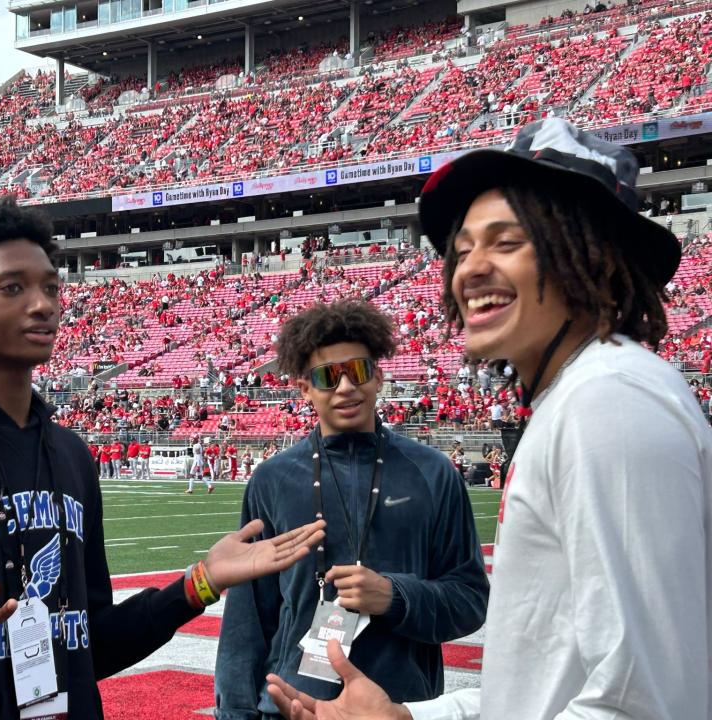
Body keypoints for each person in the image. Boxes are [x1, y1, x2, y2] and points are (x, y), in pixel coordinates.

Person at [266, 118, 712, 719]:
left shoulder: (608, 402)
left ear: (595, 260)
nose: (469, 268)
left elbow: (643, 703)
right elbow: (540, 690)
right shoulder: (581, 396)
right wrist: (409, 718)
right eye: (464, 247)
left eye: (507, 242)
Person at [0, 198, 325, 720]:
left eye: (51, 287)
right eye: (12, 287)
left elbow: (89, 643)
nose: (44, 304)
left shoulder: (69, 455)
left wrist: (198, 582)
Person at [215, 300, 489, 719]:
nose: (345, 388)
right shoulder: (271, 479)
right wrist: (234, 712)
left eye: (358, 371)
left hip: (398, 710)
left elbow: (470, 600)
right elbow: (248, 618)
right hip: (290, 707)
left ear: (378, 376)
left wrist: (395, 596)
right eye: (328, 376)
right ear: (304, 388)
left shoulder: (433, 473)